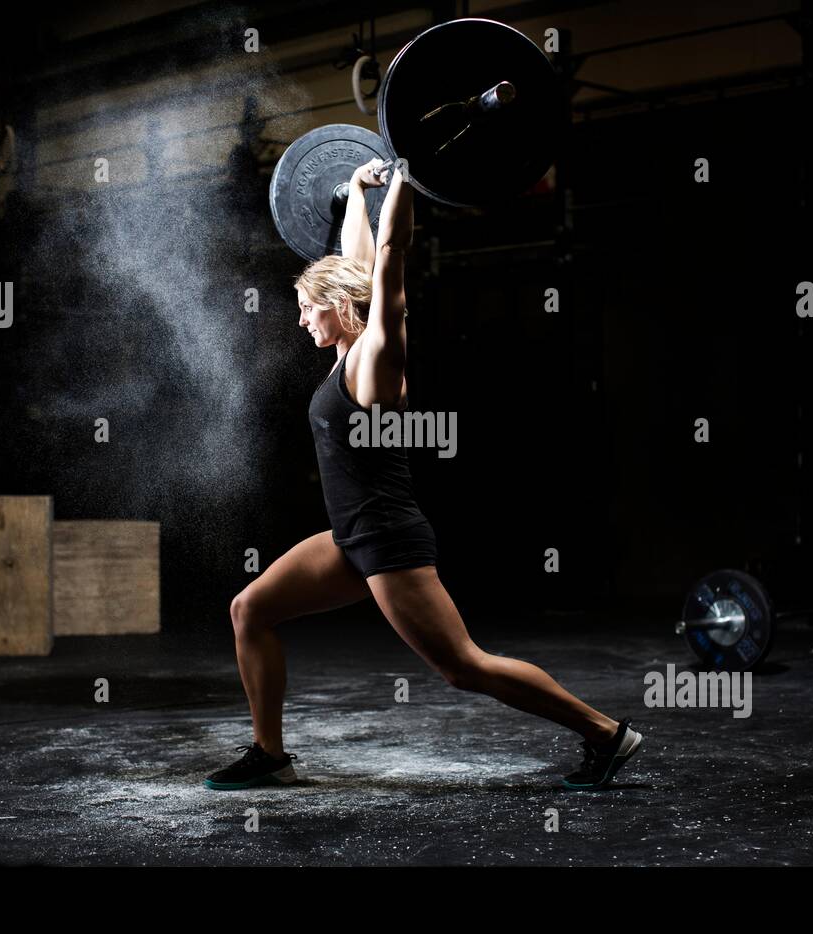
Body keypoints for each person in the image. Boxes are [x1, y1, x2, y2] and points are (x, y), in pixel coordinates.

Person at [204, 156, 641, 791]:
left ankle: (607, 734)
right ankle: (269, 754)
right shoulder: (345, 351)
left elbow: (387, 265)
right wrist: (356, 188)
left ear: (336, 306)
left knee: (463, 667)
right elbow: (359, 258)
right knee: (250, 609)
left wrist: (409, 178)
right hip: (349, 538)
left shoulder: (374, 361)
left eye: (305, 307)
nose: (300, 320)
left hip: (386, 540)